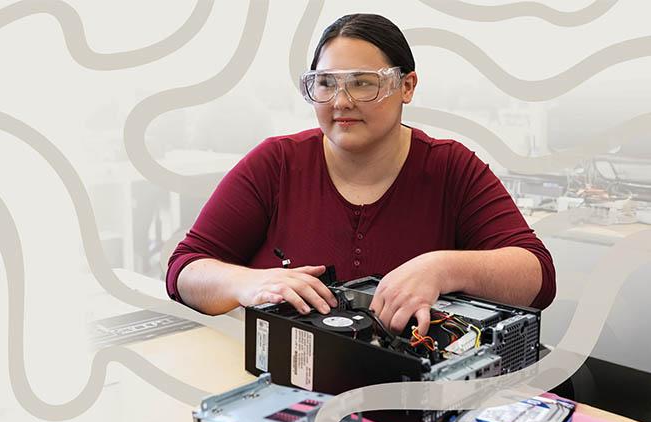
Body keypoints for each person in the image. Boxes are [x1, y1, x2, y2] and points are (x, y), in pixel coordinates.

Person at [165, 14, 555, 336]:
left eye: (363, 83)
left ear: (407, 86)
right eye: (326, 83)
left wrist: (442, 267)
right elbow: (185, 269)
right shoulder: (276, 163)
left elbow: (537, 277)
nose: (341, 102)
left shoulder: (451, 168)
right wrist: (247, 283)